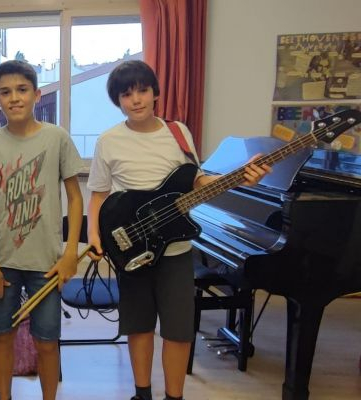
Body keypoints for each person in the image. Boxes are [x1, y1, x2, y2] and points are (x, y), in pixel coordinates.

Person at [86, 60, 271, 400]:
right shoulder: (109, 140)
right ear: (118, 101)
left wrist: (237, 177)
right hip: (133, 249)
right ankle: (142, 393)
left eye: (142, 90)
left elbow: (196, 180)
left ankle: (174, 396)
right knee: (138, 326)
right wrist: (95, 235)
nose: (136, 100)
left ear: (155, 92)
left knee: (178, 331)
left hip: (175, 252)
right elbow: (98, 193)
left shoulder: (178, 131)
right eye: (126, 95)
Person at [0, 60, 84, 400]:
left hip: (48, 263)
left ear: (37, 94)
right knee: (2, 336)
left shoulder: (57, 138)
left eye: (22, 90)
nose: (15, 98)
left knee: (47, 341)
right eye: (6, 93)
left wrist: (71, 254)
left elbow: (75, 198)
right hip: (4, 263)